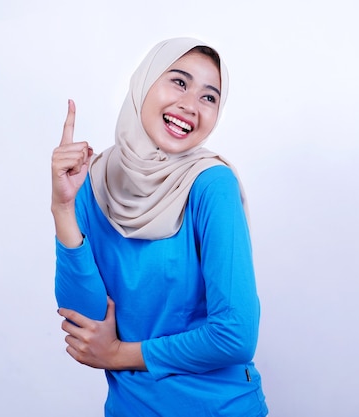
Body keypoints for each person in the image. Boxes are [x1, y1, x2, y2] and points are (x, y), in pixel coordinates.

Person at [51, 37, 269, 416]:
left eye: (209, 97)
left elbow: (235, 336)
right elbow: (84, 326)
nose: (190, 106)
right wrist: (63, 208)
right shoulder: (93, 179)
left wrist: (119, 354)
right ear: (144, 83)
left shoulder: (211, 184)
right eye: (179, 82)